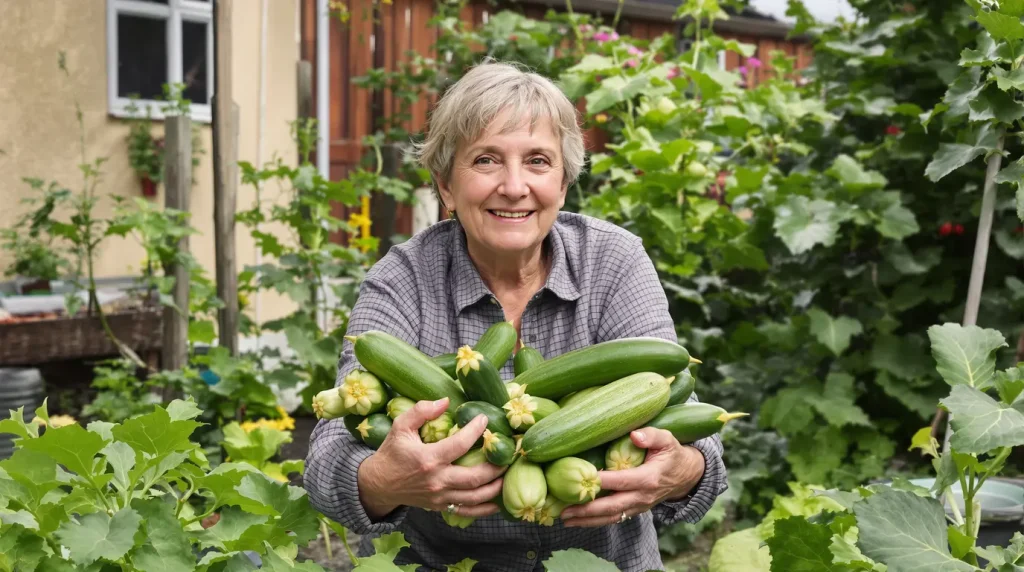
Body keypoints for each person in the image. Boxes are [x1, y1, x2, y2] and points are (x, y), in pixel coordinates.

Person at [304, 61, 727, 571]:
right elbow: (328, 460)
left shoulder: (615, 262)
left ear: (564, 183)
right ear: (445, 187)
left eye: (538, 162)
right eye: (485, 160)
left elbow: (692, 428)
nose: (513, 185)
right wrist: (380, 481)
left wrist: (682, 469)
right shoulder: (402, 279)